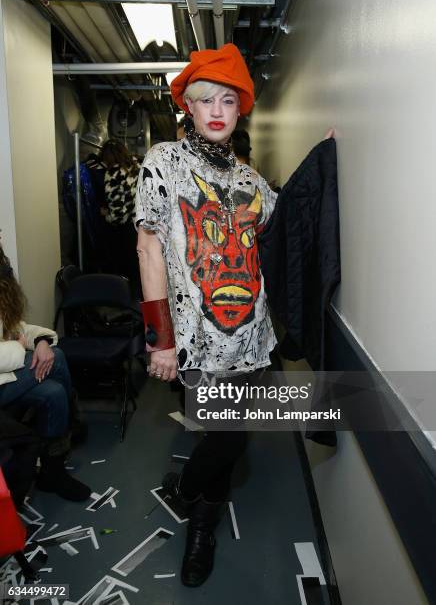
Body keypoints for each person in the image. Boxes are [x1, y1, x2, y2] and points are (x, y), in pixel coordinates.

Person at [135, 43, 279, 587]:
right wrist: (160, 341)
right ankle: (199, 522)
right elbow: (149, 250)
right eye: (205, 100)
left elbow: (282, 232)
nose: (216, 110)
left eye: (227, 100)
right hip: (198, 341)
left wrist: (323, 165)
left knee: (227, 436)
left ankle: (192, 500)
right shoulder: (163, 163)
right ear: (188, 108)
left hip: (255, 340)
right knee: (228, 436)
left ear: (239, 110)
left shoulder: (250, 178)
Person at [0, 245, 91, 502]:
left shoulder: (2, 284)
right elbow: (14, 340)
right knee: (58, 358)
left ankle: (52, 472)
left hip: (7, 379)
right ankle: (72, 422)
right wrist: (18, 347)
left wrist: (39, 341)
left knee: (53, 392)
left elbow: (17, 328)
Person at [99, 139, 141, 294]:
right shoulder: (137, 167)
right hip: (143, 226)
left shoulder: (113, 173)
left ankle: (129, 306)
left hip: (127, 231)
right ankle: (143, 310)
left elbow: (118, 215)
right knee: (141, 271)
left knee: (127, 274)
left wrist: (106, 214)